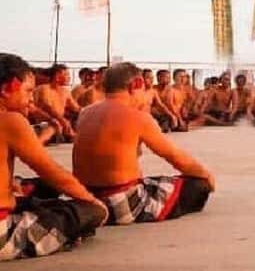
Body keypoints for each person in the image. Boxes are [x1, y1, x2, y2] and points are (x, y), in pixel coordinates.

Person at [73, 62, 214, 225]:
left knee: (155, 181)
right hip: (118, 200)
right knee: (198, 185)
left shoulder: (85, 112)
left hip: (85, 196)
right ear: (136, 85)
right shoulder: (138, 117)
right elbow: (174, 156)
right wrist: (206, 175)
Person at [0, 54, 107, 261]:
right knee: (88, 212)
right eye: (28, 91)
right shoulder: (10, 120)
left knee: (44, 193)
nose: (31, 99)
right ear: (6, 89)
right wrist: (92, 201)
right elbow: (50, 170)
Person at [33, 64, 79, 141]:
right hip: (45, 124)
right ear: (57, 76)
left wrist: (91, 112)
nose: (69, 77)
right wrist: (62, 120)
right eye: (66, 74)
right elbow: (48, 108)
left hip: (61, 124)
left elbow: (76, 108)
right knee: (52, 127)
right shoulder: (44, 88)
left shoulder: (65, 91)